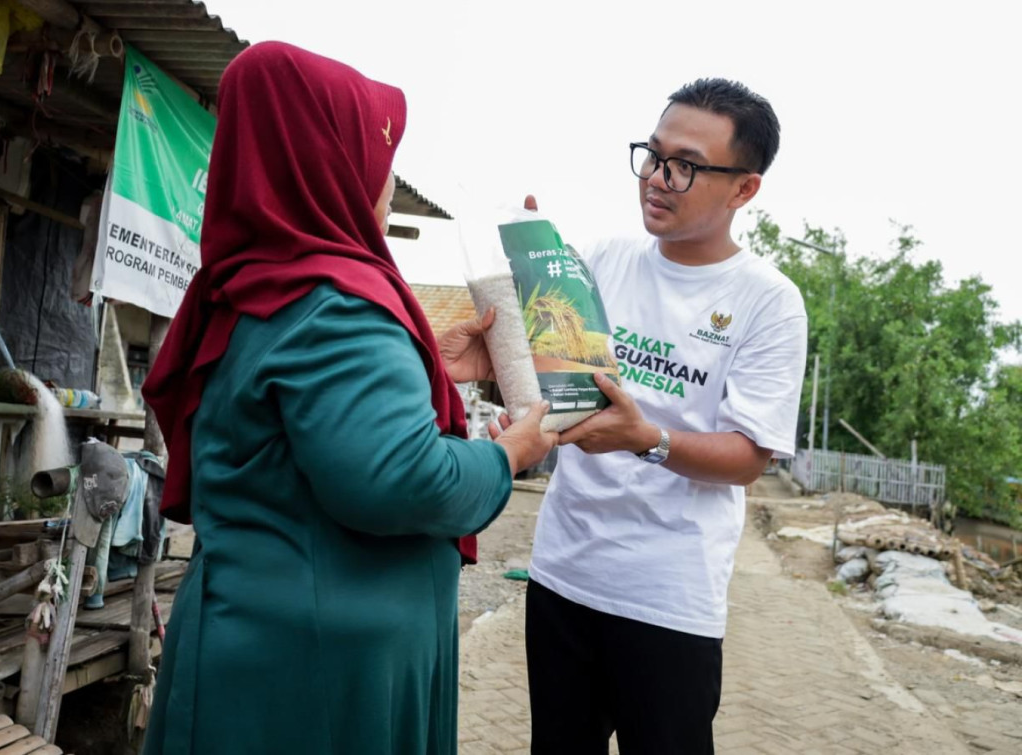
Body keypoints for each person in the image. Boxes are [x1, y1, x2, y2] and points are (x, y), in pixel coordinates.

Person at [140, 42, 556, 755]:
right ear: (327, 159)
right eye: (379, 152)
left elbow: (298, 412)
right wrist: (507, 456)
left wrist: (427, 365)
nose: (387, 178)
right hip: (319, 683)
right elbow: (404, 481)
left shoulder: (257, 280)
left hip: (271, 644)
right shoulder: (338, 303)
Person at [517, 79, 808, 754]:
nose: (656, 177)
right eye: (652, 155)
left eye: (686, 165)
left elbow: (749, 457)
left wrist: (647, 440)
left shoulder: (767, 301)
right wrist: (528, 279)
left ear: (744, 189)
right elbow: (552, 389)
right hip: (563, 573)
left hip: (668, 598)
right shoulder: (601, 261)